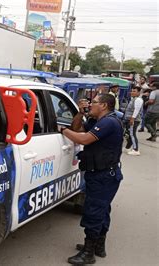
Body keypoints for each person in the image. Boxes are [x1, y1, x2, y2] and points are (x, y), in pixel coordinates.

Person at [60, 94, 123, 265]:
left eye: (93, 102)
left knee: (94, 212)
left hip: (103, 176)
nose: (90, 104)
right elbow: (78, 128)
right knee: (102, 210)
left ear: (103, 105)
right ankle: (98, 246)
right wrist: (80, 113)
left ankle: (89, 253)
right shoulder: (98, 121)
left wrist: (62, 130)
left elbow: (84, 138)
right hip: (100, 174)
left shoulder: (109, 122)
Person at [123, 86, 143, 155]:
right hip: (130, 119)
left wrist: (132, 119)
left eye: (134, 91)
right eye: (132, 91)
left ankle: (136, 150)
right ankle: (128, 147)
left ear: (139, 92)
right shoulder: (134, 99)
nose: (132, 92)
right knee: (129, 134)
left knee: (132, 134)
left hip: (134, 119)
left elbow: (136, 110)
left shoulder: (138, 100)